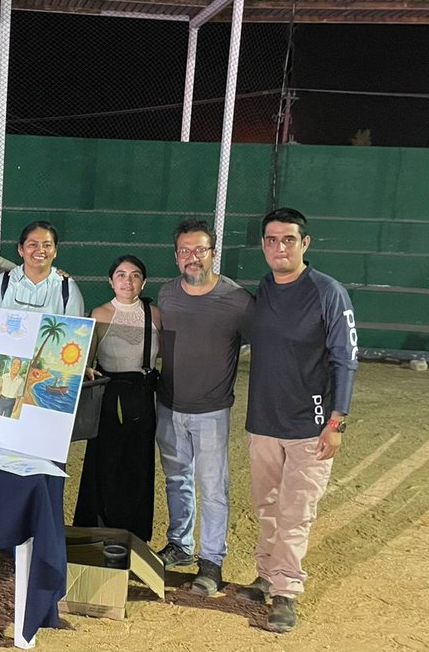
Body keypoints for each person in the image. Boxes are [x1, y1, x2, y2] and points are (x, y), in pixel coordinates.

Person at [242, 207, 358, 634]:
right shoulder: (265, 289)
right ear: (263, 246)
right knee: (267, 505)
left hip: (310, 425)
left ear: (304, 244)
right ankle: (267, 574)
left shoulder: (328, 292)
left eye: (288, 239)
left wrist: (337, 422)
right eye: (271, 240)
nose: (279, 247)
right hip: (264, 422)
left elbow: (345, 361)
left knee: (296, 511)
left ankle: (286, 592)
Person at [152, 220, 253, 597]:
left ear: (213, 253)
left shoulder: (238, 300)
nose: (192, 258)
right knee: (176, 479)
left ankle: (211, 561)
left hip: (212, 411)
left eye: (200, 250)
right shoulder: (166, 295)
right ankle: (180, 545)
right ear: (176, 256)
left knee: (212, 488)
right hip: (169, 406)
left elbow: (266, 343)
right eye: (184, 251)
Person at [73, 255, 162, 543]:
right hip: (110, 395)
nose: (128, 280)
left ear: (143, 282)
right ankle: (98, 530)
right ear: (111, 281)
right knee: (106, 462)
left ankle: (134, 533)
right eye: (121, 275)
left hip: (143, 394)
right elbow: (87, 358)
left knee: (139, 462)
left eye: (135, 275)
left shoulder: (155, 314)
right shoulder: (99, 314)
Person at [0, 220, 84, 316]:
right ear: (20, 249)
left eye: (47, 245)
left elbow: (74, 330)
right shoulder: (2, 282)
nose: (40, 250)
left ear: (55, 251)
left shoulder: (67, 287)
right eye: (33, 245)